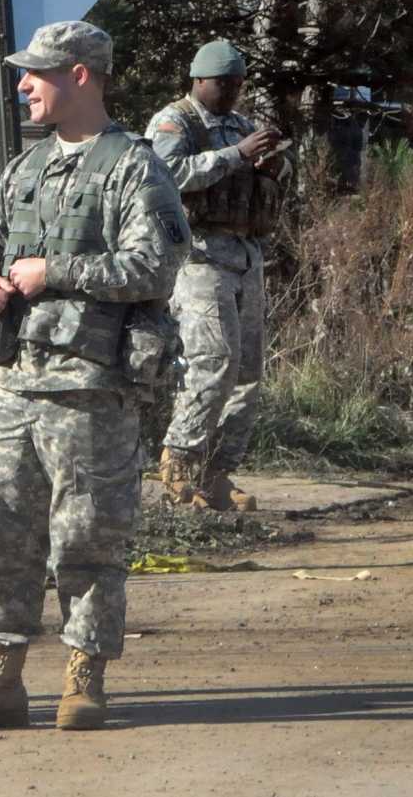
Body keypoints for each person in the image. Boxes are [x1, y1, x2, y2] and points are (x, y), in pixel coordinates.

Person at [0, 21, 190, 732]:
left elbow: (156, 266)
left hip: (90, 387)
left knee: (88, 539)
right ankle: (0, 680)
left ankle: (83, 679)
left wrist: (58, 272)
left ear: (82, 74)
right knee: (3, 537)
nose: (23, 86)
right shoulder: (23, 168)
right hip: (13, 386)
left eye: (37, 74)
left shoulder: (133, 165)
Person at [143, 39, 287, 512]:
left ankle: (218, 472)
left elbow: (268, 177)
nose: (231, 93)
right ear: (199, 80)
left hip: (245, 255)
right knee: (212, 360)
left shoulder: (240, 125)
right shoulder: (174, 121)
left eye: (238, 84)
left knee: (247, 370)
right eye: (224, 84)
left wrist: (274, 165)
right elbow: (166, 176)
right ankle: (178, 463)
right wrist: (235, 156)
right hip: (199, 259)